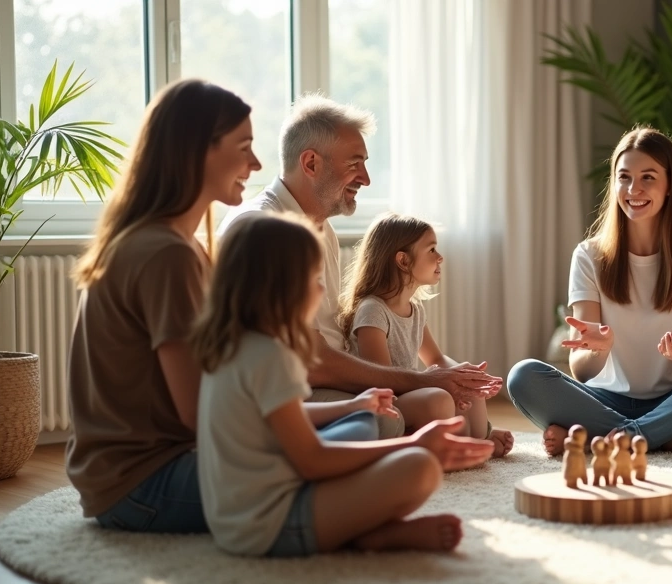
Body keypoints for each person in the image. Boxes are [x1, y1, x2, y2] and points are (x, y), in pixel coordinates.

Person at [192, 213, 494, 557]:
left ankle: (375, 534)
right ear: (278, 285)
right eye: (313, 278)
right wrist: (414, 443)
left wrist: (351, 406)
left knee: (364, 434)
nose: (322, 290)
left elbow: (281, 415)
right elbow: (313, 460)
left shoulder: (236, 347)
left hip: (238, 517)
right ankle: (366, 534)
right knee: (419, 466)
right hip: (269, 523)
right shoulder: (270, 357)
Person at [218, 94, 500, 439]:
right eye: (354, 164)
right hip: (294, 386)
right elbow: (312, 362)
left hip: (333, 376)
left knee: (434, 402)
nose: (365, 179)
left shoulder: (324, 231)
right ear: (310, 164)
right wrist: (419, 379)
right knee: (388, 417)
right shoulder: (260, 228)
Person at [66, 79, 260, 532]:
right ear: (198, 151)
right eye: (244, 146)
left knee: (361, 435)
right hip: (143, 482)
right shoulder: (165, 253)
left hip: (156, 465)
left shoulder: (181, 245)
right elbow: (198, 412)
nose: (256, 163)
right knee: (371, 462)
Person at [506, 127, 672, 455]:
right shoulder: (589, 255)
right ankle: (666, 439)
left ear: (669, 187)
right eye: (624, 177)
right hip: (603, 398)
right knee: (523, 376)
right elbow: (581, 370)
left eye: (648, 177)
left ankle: (605, 439)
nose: (633, 189)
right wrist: (598, 350)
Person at [338, 213, 515, 456]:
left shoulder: (416, 310)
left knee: (469, 387)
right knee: (439, 400)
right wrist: (437, 381)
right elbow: (380, 379)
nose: (440, 257)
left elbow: (436, 358)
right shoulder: (373, 310)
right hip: (387, 402)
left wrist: (465, 375)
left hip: (408, 392)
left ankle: (478, 439)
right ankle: (464, 446)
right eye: (431, 250)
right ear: (403, 260)